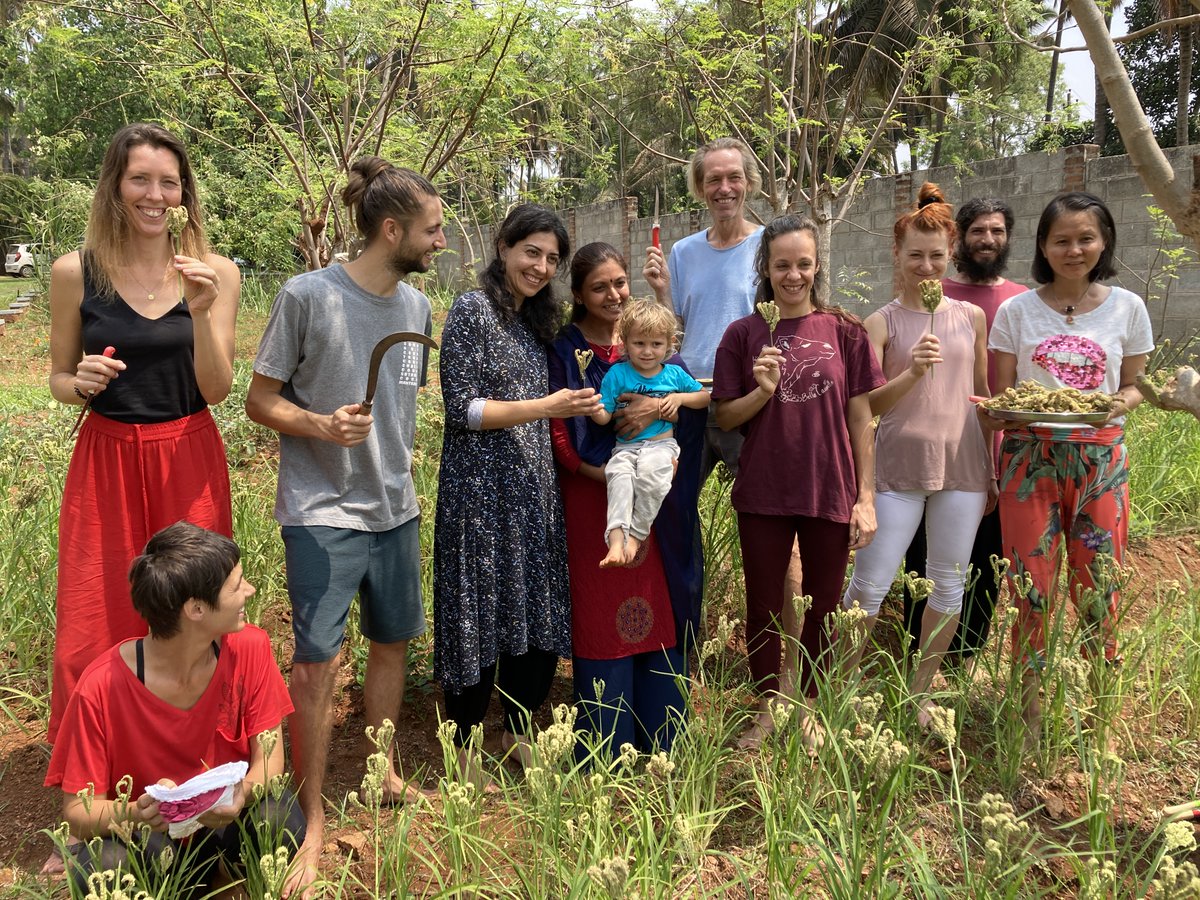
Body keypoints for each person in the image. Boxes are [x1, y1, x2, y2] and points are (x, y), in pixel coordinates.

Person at [246, 156, 442, 893]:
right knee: (316, 664)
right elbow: (259, 400)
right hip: (322, 512)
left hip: (396, 509)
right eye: (432, 229)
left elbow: (401, 409)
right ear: (390, 230)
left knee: (390, 646)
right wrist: (321, 426)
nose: (441, 241)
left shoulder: (415, 309)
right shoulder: (307, 296)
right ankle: (313, 814)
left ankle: (383, 770)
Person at [47, 122, 240, 746]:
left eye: (169, 182)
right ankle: (91, 780)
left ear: (184, 192)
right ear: (114, 185)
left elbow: (216, 389)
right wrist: (81, 381)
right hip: (106, 456)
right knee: (95, 610)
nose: (155, 195)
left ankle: (199, 758)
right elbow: (57, 378)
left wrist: (203, 312)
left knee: (197, 603)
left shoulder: (215, 272)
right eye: (140, 179)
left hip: (188, 453)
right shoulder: (76, 271)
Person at [434, 205, 602, 780]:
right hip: (478, 493)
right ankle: (462, 748)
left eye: (552, 259)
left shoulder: (540, 322)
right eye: (532, 251)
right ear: (503, 246)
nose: (541, 266)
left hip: (534, 492)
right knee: (476, 615)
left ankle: (522, 732)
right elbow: (463, 408)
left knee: (533, 611)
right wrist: (547, 407)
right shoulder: (472, 310)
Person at [45, 522, 304, 895]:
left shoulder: (249, 647)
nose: (249, 590)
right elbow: (78, 813)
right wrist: (138, 812)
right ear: (196, 609)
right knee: (100, 866)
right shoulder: (100, 686)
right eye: (237, 585)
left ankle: (232, 880)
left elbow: (271, 760)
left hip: (226, 827)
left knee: (278, 815)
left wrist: (242, 794)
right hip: (154, 841)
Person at [980, 191, 1153, 746]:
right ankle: (1028, 716)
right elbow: (1005, 394)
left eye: (1086, 238)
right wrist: (999, 414)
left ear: (1103, 243)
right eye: (1062, 240)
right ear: (1042, 246)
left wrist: (1113, 405)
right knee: (1029, 588)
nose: (1074, 249)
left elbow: (1133, 386)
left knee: (1099, 586)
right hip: (1029, 457)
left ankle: (1099, 716)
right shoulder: (1015, 311)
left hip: (1100, 456)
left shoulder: (1127, 307)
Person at [712, 214, 883, 750]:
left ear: (816, 266)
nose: (792, 275)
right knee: (763, 604)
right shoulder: (743, 335)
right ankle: (769, 706)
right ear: (765, 268)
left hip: (828, 486)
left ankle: (806, 706)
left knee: (822, 603)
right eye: (781, 264)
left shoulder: (845, 331)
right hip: (763, 489)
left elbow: (861, 418)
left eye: (803, 264)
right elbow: (723, 418)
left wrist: (867, 496)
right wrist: (762, 391)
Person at [841, 184, 993, 725]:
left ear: (950, 254)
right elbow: (864, 407)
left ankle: (919, 692)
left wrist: (994, 466)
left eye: (936, 256)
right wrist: (913, 371)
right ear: (896, 256)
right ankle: (843, 690)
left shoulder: (971, 318)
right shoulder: (878, 324)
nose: (926, 267)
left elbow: (982, 397)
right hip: (896, 469)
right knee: (870, 583)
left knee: (948, 584)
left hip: (963, 469)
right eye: (915, 256)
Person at [548, 243, 706, 756]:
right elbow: (562, 434)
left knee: (657, 604)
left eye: (619, 282)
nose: (613, 294)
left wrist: (666, 410)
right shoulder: (567, 350)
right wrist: (615, 470)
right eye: (599, 286)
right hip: (596, 497)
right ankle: (605, 745)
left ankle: (664, 737)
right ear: (578, 294)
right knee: (603, 606)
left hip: (658, 505)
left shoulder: (650, 343)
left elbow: (694, 405)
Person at [902, 198, 1025, 674]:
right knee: (924, 550)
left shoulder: (1018, 298)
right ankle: (920, 642)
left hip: (988, 438)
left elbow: (991, 389)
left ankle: (967, 649)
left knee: (983, 548)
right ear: (961, 241)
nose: (988, 239)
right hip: (928, 444)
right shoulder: (933, 289)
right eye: (978, 231)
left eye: (997, 230)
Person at [590, 300, 710, 567]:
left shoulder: (674, 374)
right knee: (618, 478)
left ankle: (636, 536)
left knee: (651, 480)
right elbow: (605, 416)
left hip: (661, 446)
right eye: (639, 343)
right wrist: (591, 408)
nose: (647, 352)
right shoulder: (617, 374)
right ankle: (616, 542)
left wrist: (679, 399)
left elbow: (703, 398)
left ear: (669, 345)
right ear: (625, 342)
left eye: (656, 344)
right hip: (625, 448)